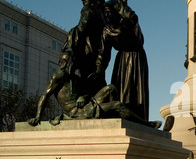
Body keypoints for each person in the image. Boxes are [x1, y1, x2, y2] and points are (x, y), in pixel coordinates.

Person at [27, 51, 161, 129]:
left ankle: (113, 117)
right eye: (73, 60)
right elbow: (45, 95)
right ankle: (146, 124)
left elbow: (84, 94)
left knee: (111, 88)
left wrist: (83, 97)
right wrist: (38, 117)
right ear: (67, 61)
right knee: (117, 105)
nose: (75, 63)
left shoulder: (75, 77)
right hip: (77, 112)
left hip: (86, 104)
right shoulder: (59, 76)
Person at [98, 0, 149, 121]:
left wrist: (121, 5)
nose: (107, 15)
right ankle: (121, 114)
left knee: (133, 92)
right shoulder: (106, 30)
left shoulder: (126, 23)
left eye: (110, 12)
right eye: (105, 13)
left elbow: (133, 18)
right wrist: (98, 69)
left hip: (135, 57)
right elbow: (103, 53)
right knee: (119, 89)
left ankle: (136, 117)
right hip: (121, 60)